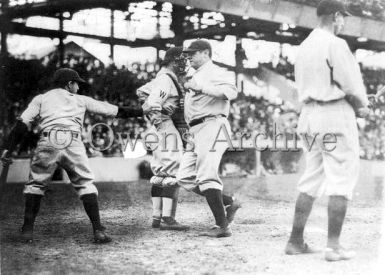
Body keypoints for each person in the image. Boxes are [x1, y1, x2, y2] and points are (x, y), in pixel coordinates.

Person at [0, 68, 159, 243]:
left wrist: (8, 147)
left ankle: (27, 231)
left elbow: (22, 124)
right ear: (69, 84)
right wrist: (140, 111)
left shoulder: (41, 98)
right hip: (72, 141)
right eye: (77, 83)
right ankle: (98, 230)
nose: (78, 87)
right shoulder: (80, 100)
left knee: (36, 184)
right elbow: (112, 110)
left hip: (49, 139)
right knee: (85, 183)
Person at [284, 0, 371, 261]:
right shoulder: (335, 44)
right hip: (334, 114)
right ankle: (333, 247)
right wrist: (363, 107)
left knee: (311, 177)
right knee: (341, 179)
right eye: (343, 17)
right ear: (335, 16)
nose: (343, 22)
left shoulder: (305, 45)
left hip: (309, 115)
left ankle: (295, 241)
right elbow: (352, 88)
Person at [176, 39, 240, 238]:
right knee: (185, 177)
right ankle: (229, 201)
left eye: (192, 53)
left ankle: (223, 226)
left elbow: (231, 92)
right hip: (196, 129)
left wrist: (201, 88)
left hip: (213, 124)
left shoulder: (217, 72)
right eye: (187, 54)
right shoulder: (193, 75)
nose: (188, 57)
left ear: (205, 53)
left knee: (206, 176)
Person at [137, 47, 189, 231]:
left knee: (160, 173)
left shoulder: (163, 77)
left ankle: (157, 217)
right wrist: (159, 116)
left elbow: (142, 92)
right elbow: (152, 103)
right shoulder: (167, 79)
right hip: (165, 127)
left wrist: (157, 113)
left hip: (158, 128)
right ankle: (168, 217)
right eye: (182, 59)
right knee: (174, 170)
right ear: (174, 60)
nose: (184, 63)